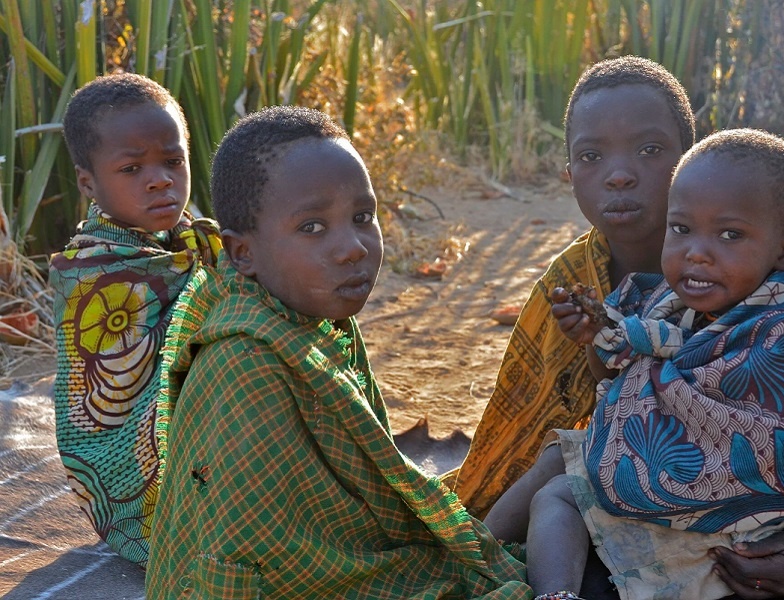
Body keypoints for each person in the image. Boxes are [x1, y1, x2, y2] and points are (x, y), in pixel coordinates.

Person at [449, 56, 784, 599]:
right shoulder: (570, 285)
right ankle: (469, 562)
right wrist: (598, 340)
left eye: (648, 150)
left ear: (690, 160)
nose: (619, 174)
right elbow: (527, 430)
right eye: (592, 156)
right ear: (568, 172)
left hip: (747, 543)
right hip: (608, 514)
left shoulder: (767, 302)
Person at [144, 105, 531, 599]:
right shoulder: (244, 364)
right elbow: (243, 560)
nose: (353, 247)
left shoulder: (318, 324)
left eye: (362, 217)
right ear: (242, 252)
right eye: (312, 227)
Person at [486, 129, 784, 600]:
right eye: (682, 229)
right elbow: (624, 372)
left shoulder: (780, 330)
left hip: (730, 520)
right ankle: (471, 549)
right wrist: (600, 334)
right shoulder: (662, 296)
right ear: (568, 172)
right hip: (656, 484)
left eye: (730, 235)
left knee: (559, 492)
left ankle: (533, 584)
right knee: (561, 456)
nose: (696, 251)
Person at [49, 72, 221, 566]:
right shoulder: (92, 275)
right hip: (144, 485)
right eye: (131, 168)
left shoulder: (200, 242)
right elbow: (106, 405)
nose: (160, 178)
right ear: (89, 182)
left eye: (173, 161)